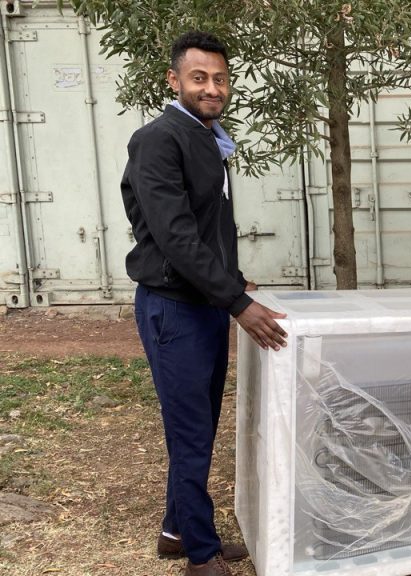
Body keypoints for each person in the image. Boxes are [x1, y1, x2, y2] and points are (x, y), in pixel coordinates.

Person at [121, 31, 289, 576]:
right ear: (174, 81)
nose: (212, 88)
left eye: (220, 78)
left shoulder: (206, 137)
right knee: (191, 431)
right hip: (175, 308)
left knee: (200, 424)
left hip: (205, 304)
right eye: (199, 78)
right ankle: (199, 553)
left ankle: (176, 531)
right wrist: (236, 301)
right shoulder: (158, 139)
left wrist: (232, 283)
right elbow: (174, 235)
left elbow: (209, 227)